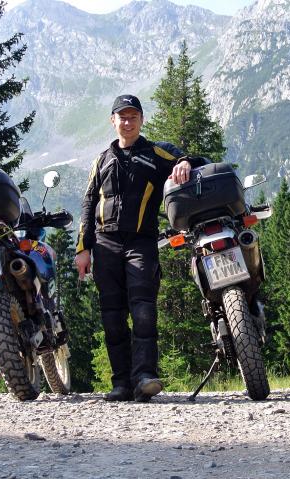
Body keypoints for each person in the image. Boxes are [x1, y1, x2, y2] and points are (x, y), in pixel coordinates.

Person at [75, 94, 207, 402]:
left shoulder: (155, 153)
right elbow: (88, 203)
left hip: (141, 242)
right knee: (112, 316)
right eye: (122, 117)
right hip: (105, 243)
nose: (128, 122)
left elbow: (193, 160)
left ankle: (144, 377)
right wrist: (83, 249)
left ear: (141, 120)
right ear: (113, 121)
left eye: (133, 116)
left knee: (144, 310)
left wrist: (184, 162)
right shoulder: (102, 160)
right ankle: (121, 384)